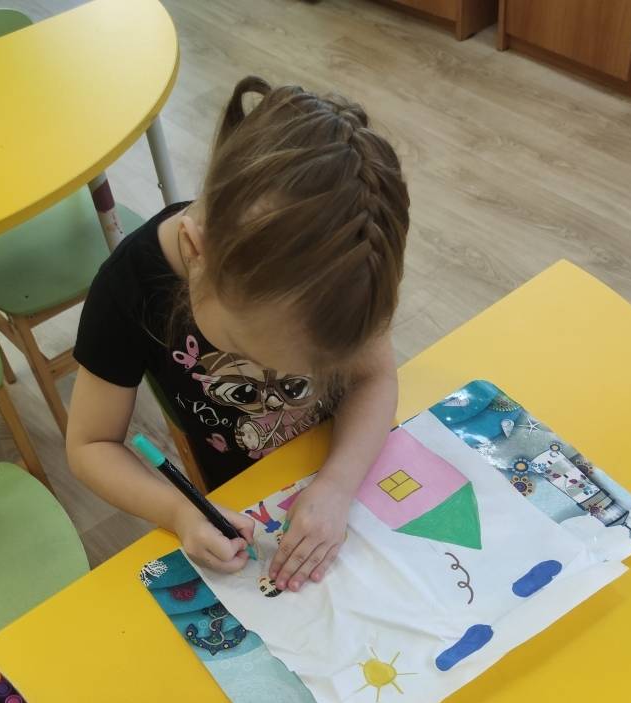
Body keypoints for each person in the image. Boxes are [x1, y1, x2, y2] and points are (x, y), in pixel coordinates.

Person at [67, 76, 409, 592]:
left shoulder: (346, 263)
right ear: (197, 252)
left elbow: (375, 376)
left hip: (351, 463)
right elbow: (90, 444)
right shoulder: (129, 286)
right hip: (241, 496)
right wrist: (179, 511)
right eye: (250, 351)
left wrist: (338, 485)